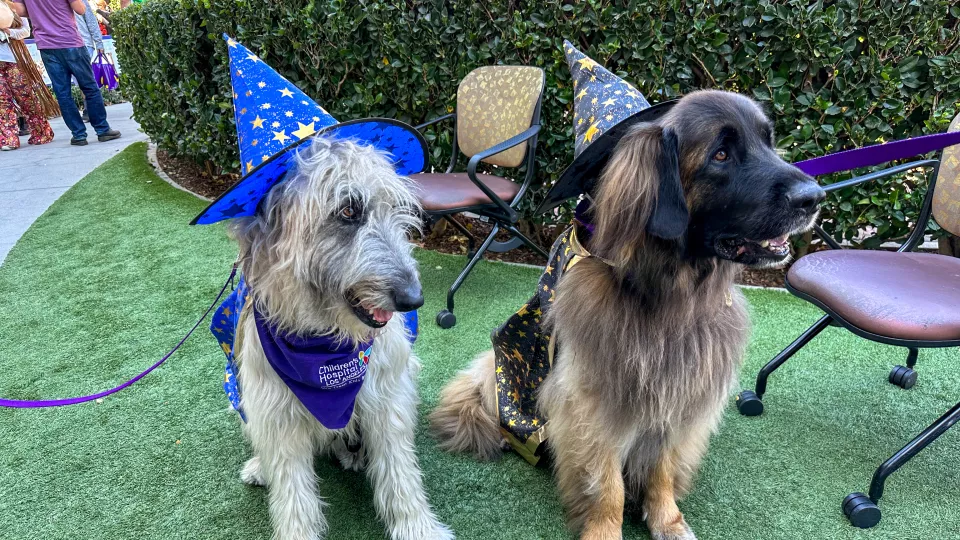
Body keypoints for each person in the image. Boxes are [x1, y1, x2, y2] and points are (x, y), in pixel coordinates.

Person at [10, 0, 119, 146]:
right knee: (89, 87)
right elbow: (80, 9)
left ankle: (78, 134)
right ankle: (102, 129)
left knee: (63, 93)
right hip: (70, 40)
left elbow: (20, 10)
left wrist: (40, 11)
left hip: (46, 45)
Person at [0, 2, 55, 151]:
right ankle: (8, 139)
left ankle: (41, 132)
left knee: (26, 98)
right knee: (2, 102)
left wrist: (8, 31)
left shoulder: (13, 7)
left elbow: (25, 31)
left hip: (15, 60)